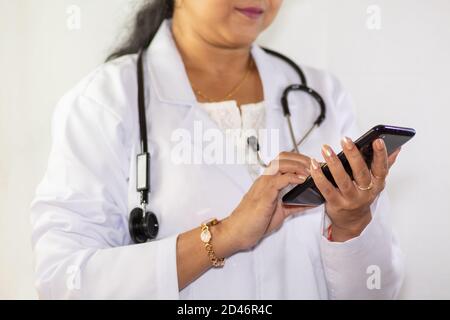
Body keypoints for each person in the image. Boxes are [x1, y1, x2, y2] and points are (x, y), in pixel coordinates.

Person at [30, 0, 404, 299]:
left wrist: (352, 224)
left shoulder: (322, 95)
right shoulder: (106, 100)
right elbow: (64, 280)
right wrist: (224, 236)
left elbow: (378, 290)